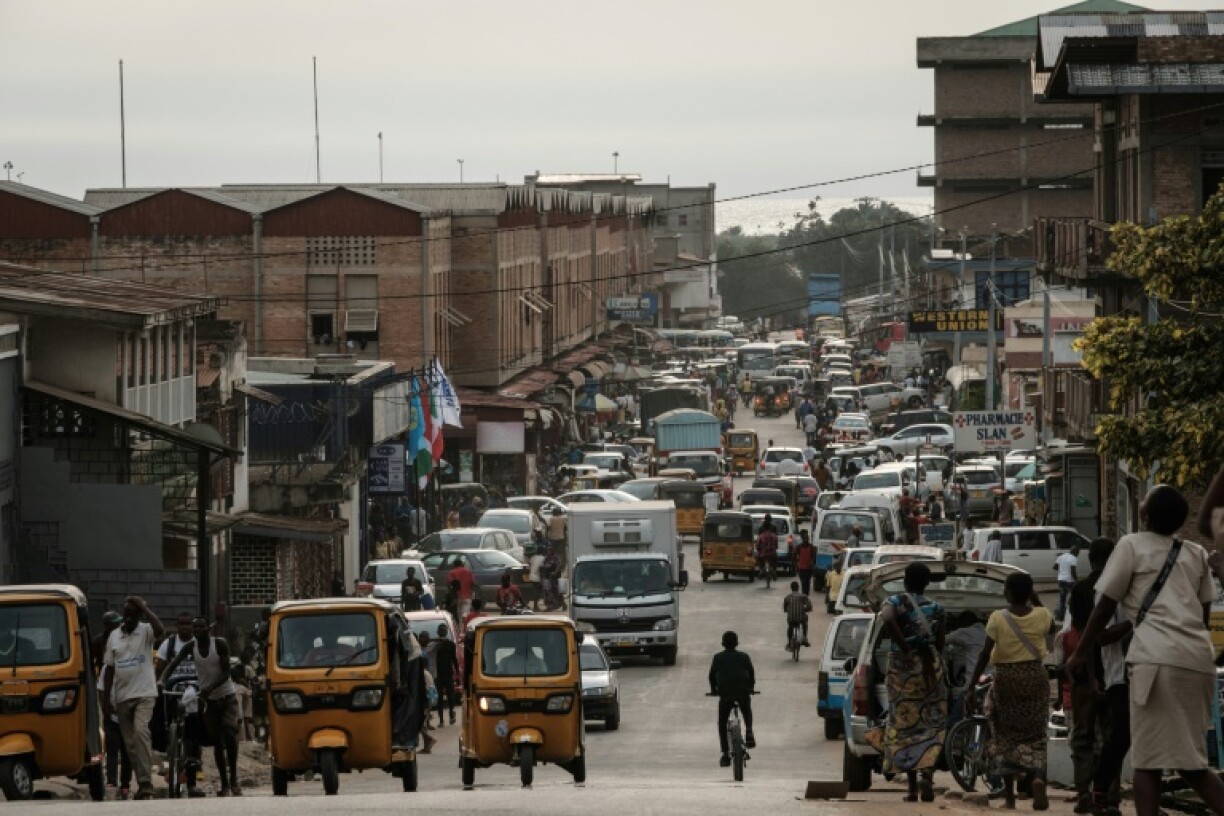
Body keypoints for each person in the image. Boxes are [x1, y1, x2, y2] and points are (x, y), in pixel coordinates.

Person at [1069, 485, 1224, 816]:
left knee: (1147, 760)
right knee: (1192, 761)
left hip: (1154, 659)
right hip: (1197, 658)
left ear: (1145, 515)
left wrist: (1080, 653)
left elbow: (1104, 605)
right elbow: (1203, 614)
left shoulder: (1131, 546)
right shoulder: (1195, 552)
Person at [967, 572, 1054, 811]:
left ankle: (1010, 798)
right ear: (1030, 593)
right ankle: (1037, 778)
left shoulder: (997, 618)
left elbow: (985, 653)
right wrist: (1034, 598)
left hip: (1007, 678)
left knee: (1004, 733)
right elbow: (1052, 625)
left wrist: (971, 686)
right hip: (1036, 676)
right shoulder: (1042, 614)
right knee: (1036, 730)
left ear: (1006, 592)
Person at [878, 562, 947, 802]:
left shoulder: (895, 602)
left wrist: (906, 648)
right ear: (926, 583)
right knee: (931, 723)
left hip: (902, 670)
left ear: (905, 580)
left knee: (904, 724)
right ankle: (926, 775)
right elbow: (940, 644)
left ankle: (911, 788)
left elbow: (887, 617)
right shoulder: (937, 608)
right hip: (929, 669)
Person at [159, 618, 243, 797]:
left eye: (201, 626)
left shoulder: (219, 644)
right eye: (195, 627)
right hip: (208, 701)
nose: (197, 630)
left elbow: (227, 671)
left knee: (229, 732)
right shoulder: (190, 647)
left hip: (226, 696)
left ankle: (234, 778)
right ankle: (225, 784)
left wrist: (211, 687)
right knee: (217, 741)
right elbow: (173, 664)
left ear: (208, 628)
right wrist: (162, 679)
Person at [102, 596, 165, 801]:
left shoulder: (146, 630)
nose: (128, 618)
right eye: (126, 614)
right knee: (130, 745)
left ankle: (146, 783)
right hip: (122, 697)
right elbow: (110, 669)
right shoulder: (114, 636)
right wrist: (106, 700)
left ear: (139, 615)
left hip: (145, 694)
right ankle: (142, 784)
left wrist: (144, 607)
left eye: (133, 614)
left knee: (141, 733)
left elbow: (160, 630)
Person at [153, 612, 204, 798]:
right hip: (174, 690)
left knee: (193, 737)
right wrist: (157, 684)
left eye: (188, 624)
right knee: (166, 725)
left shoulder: (200, 643)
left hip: (195, 690)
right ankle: (170, 748)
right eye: (181, 624)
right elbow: (160, 668)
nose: (185, 627)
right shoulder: (170, 644)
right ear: (177, 625)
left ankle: (192, 782)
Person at [94, 611, 133, 799]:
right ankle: (111, 779)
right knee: (111, 745)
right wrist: (105, 707)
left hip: (127, 710)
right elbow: (102, 687)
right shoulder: (106, 664)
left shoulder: (131, 664)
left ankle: (125, 782)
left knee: (127, 749)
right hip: (112, 710)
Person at [709, 631, 756, 767]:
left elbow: (712, 676)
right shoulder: (744, 656)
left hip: (725, 694)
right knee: (746, 710)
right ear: (736, 643)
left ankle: (725, 754)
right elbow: (751, 673)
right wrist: (751, 687)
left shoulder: (717, 657)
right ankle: (749, 731)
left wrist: (714, 690)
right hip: (742, 692)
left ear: (723, 644)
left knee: (722, 723)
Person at [942, 610, 986, 722]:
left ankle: (953, 735)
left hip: (972, 685)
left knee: (953, 721)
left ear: (964, 622)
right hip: (988, 681)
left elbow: (942, 640)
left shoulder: (965, 632)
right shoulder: (987, 631)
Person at [431, 624, 459, 727]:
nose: (442, 632)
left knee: (448, 697)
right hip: (441, 674)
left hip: (445, 674)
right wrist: (457, 672)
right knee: (443, 698)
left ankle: (448, 716)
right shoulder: (436, 644)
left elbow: (454, 659)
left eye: (442, 630)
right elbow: (454, 659)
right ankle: (444, 719)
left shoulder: (448, 644)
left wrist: (457, 672)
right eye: (441, 630)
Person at [782, 581, 812, 647]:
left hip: (791, 617)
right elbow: (809, 606)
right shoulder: (803, 596)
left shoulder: (787, 597)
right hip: (801, 617)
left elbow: (784, 608)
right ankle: (804, 638)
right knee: (805, 622)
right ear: (798, 588)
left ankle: (789, 642)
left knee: (790, 627)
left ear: (791, 588)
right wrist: (805, 609)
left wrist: (787, 610)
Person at [1055, 544, 1080, 621]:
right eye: (1078, 552)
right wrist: (1077, 580)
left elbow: (1055, 567)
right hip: (1070, 581)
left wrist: (1062, 571)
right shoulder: (1073, 558)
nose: (1078, 554)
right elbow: (1073, 571)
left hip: (1061, 580)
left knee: (1062, 599)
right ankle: (1074, 613)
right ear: (1075, 552)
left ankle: (1061, 615)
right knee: (1075, 596)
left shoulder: (1062, 556)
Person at [448, 555, 477, 620]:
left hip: (456, 596)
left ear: (454, 565)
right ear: (462, 564)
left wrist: (451, 593)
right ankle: (465, 621)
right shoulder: (468, 572)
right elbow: (473, 583)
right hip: (467, 596)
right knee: (466, 611)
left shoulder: (452, 572)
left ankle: (461, 626)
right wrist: (472, 593)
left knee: (458, 613)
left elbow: (449, 584)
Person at [755, 515, 779, 584]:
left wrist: (758, 549)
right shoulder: (774, 532)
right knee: (776, 559)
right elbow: (776, 544)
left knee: (758, 557)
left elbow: (758, 542)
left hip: (763, 553)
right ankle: (774, 571)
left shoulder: (761, 530)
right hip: (772, 554)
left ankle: (761, 569)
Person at [794, 530, 816, 596]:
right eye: (805, 538)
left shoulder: (811, 547)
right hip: (801, 568)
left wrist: (812, 564)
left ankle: (806, 594)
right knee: (803, 582)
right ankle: (804, 594)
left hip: (808, 568)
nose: (807, 540)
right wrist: (796, 564)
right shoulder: (798, 547)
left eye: (807, 538)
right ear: (803, 539)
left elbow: (814, 557)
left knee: (807, 582)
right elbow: (794, 556)